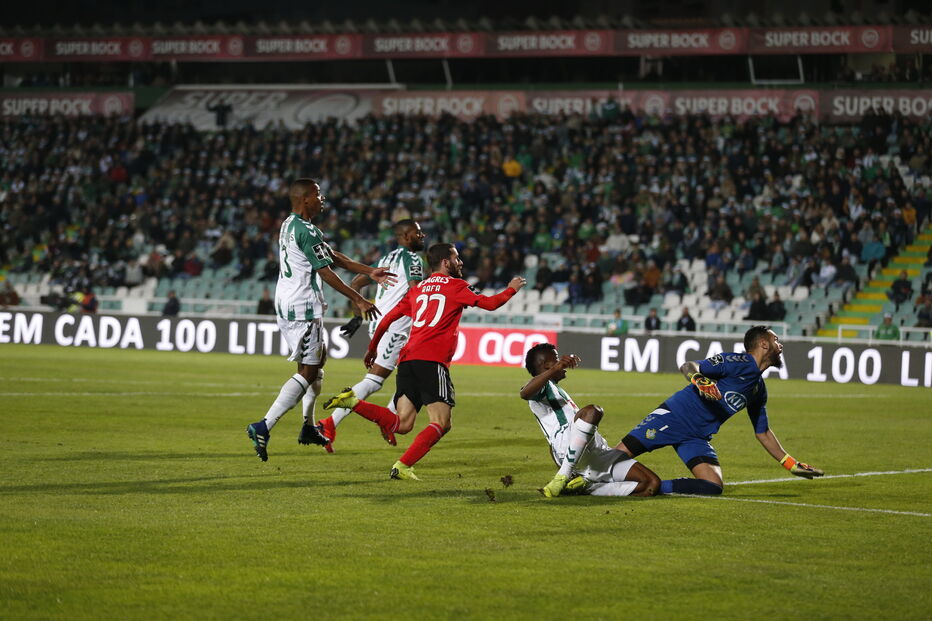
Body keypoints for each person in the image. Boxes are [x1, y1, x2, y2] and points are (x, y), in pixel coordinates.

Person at [323, 243, 526, 480]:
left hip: (408, 360)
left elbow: (387, 318)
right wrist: (511, 289)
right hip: (432, 361)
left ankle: (353, 403)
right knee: (442, 423)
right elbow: (491, 304)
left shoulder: (416, 290)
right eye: (456, 258)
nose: (460, 262)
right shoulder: (456, 285)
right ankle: (402, 466)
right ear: (446, 262)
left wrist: (372, 349)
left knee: (403, 423)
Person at [245, 178, 395, 462]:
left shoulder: (292, 225)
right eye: (317, 194)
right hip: (303, 308)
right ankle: (264, 424)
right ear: (305, 200)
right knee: (309, 371)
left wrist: (369, 271)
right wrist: (358, 298)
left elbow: (332, 255)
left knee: (318, 363)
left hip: (288, 302)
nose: (322, 198)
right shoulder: (307, 231)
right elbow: (326, 271)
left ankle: (307, 426)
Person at [615, 326, 824, 496]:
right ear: (763, 344)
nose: (781, 345)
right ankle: (585, 476)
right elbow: (689, 366)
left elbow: (763, 432)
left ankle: (648, 486)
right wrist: (699, 379)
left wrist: (790, 464)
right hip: (674, 417)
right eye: (776, 340)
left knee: (712, 486)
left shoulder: (758, 389)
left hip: (696, 437)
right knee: (612, 460)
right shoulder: (735, 362)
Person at [317, 219, 427, 453]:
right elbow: (417, 291)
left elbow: (358, 281)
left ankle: (388, 418)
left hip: (385, 323)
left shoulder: (387, 259)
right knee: (374, 381)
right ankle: (329, 423)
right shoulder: (412, 259)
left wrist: (358, 316)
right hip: (395, 327)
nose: (423, 235)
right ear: (406, 236)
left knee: (414, 374)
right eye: (418, 233)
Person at [521, 344, 661, 498]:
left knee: (651, 484)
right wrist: (555, 369)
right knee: (593, 411)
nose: (562, 362)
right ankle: (563, 476)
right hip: (568, 446)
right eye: (557, 358)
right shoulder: (542, 388)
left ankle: (588, 487)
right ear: (546, 365)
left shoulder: (555, 388)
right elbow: (525, 393)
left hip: (596, 451)